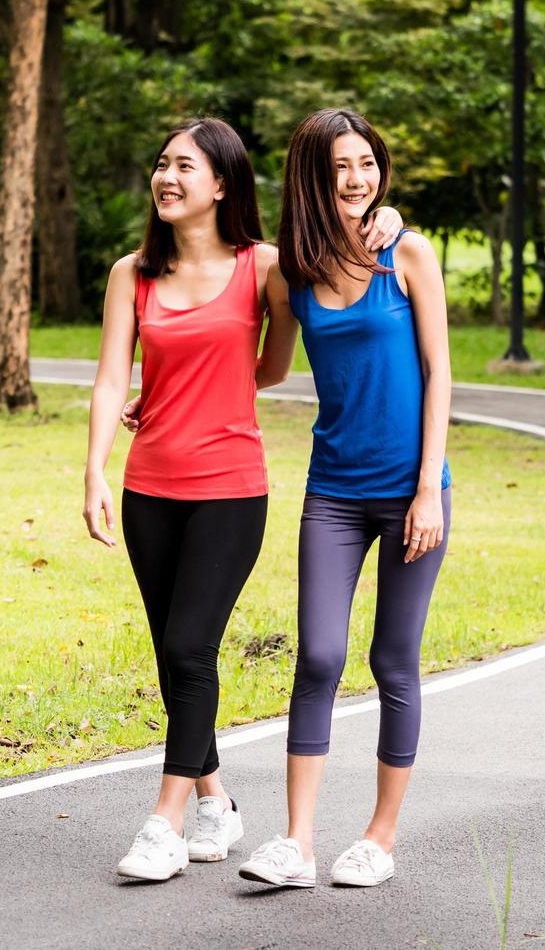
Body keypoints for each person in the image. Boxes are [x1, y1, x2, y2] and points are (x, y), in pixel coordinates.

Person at [83, 116, 401, 882]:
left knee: (192, 646)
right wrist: (94, 468)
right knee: (173, 653)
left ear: (221, 184)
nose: (166, 177)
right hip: (147, 486)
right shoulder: (133, 274)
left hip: (230, 489)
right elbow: (106, 379)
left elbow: (274, 366)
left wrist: (386, 216)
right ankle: (217, 800)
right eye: (161, 165)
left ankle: (163, 822)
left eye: (183, 167)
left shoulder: (266, 268)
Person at [236, 108, 451, 890]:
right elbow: (270, 369)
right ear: (312, 180)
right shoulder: (292, 272)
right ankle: (296, 842)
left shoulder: (408, 252)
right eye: (339, 168)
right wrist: (166, 389)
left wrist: (429, 489)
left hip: (409, 493)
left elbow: (440, 373)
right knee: (319, 656)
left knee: (392, 660)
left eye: (366, 164)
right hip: (332, 489)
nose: (357, 180)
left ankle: (380, 837)